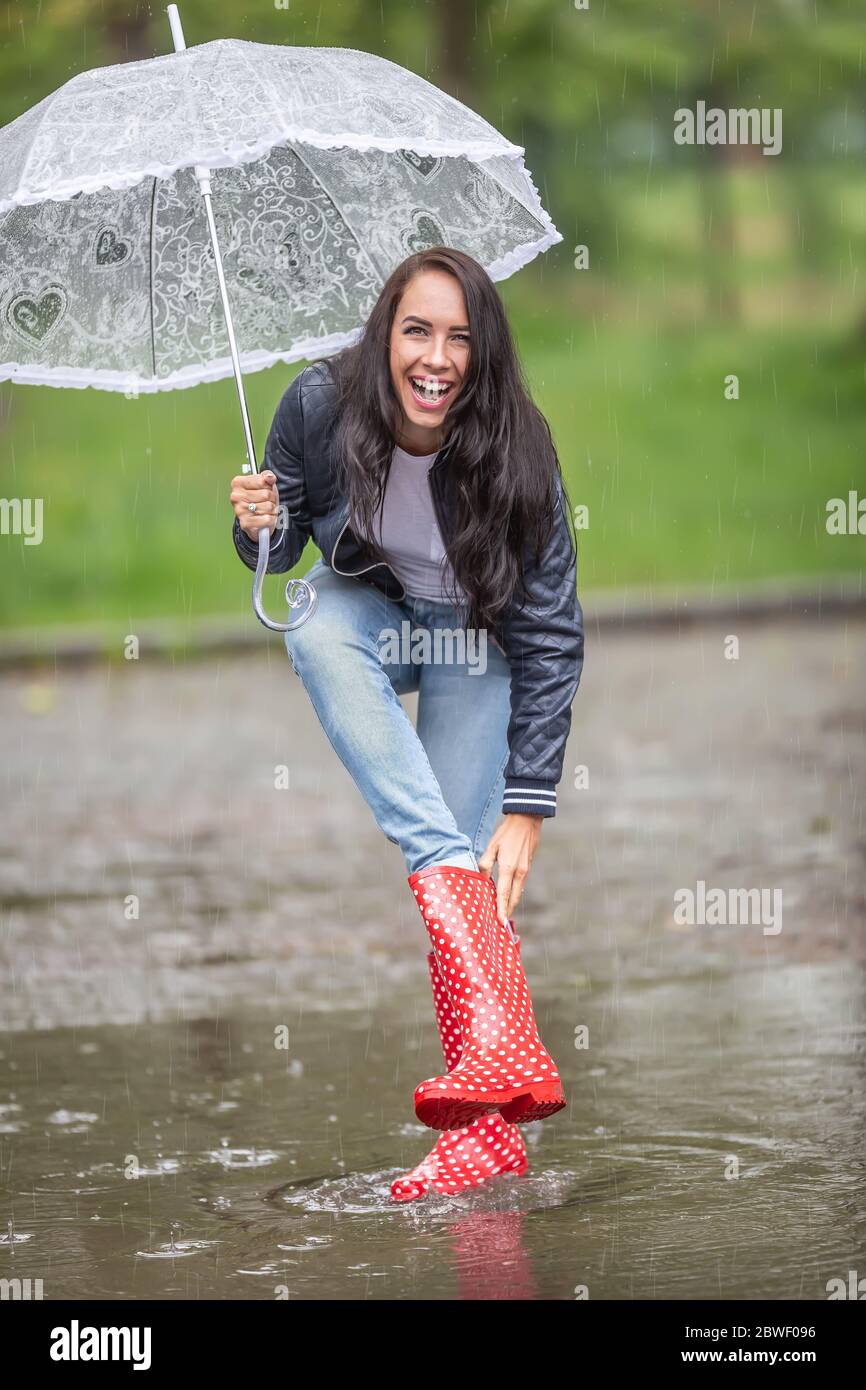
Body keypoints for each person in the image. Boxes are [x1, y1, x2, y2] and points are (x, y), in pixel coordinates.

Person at [229, 246, 584, 1202]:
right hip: (376, 623)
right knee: (311, 615)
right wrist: (258, 522)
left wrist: (528, 804)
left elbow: (550, 632)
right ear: (386, 334)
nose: (437, 358)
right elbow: (291, 540)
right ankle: (505, 1049)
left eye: (460, 337)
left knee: (472, 862)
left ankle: (488, 1132)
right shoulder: (317, 405)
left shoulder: (521, 449)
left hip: (477, 641)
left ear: (485, 353)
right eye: (418, 331)